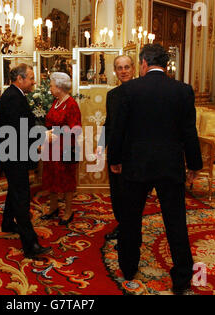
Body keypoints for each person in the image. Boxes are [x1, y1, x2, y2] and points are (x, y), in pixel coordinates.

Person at [109, 44, 202, 295]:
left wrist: (114, 159)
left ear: (143, 63)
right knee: (175, 222)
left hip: (135, 165)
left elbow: (118, 130)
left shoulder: (128, 90)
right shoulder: (183, 91)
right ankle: (182, 277)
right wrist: (194, 164)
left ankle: (128, 267)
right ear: (165, 65)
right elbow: (189, 132)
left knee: (131, 219)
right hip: (170, 166)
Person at [0, 63, 51, 259]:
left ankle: (7, 224)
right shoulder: (13, 98)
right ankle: (31, 245)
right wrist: (42, 139)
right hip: (14, 155)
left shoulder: (15, 95)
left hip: (13, 153)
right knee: (22, 197)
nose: (34, 81)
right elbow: (19, 130)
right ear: (20, 79)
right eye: (31, 77)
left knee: (15, 189)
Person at [97, 55, 135, 242]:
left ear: (133, 69)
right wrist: (100, 145)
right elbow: (109, 123)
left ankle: (130, 231)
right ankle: (122, 225)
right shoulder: (112, 95)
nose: (123, 71)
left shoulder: (141, 93)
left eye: (127, 67)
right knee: (117, 194)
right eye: (119, 68)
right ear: (115, 71)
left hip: (135, 153)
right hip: (115, 152)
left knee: (131, 196)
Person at [40, 72, 82, 226]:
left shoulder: (71, 104)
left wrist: (56, 133)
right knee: (51, 178)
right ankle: (53, 208)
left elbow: (76, 129)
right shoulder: (56, 101)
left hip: (66, 148)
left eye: (51, 85)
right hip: (52, 148)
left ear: (59, 87)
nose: (50, 88)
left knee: (67, 181)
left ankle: (68, 211)